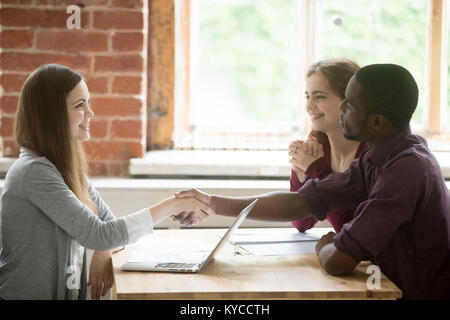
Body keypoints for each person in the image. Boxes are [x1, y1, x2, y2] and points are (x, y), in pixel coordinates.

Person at [173, 64, 450, 299]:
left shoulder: (406, 170)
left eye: (349, 103)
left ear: (377, 122)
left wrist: (326, 244)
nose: (341, 107)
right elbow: (299, 203)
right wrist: (212, 203)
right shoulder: (380, 158)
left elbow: (338, 260)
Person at [0, 64, 211, 300]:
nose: (90, 113)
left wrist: (103, 248)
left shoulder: (64, 169)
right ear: (52, 115)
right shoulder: (34, 172)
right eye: (80, 105)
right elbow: (101, 234)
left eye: (88, 103)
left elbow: (107, 226)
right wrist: (173, 205)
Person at [289, 59, 367, 233]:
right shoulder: (320, 150)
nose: (309, 106)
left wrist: (315, 169)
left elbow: (350, 229)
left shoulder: (369, 155)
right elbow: (301, 224)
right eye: (308, 96)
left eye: (319, 97)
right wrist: (301, 176)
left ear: (350, 101)